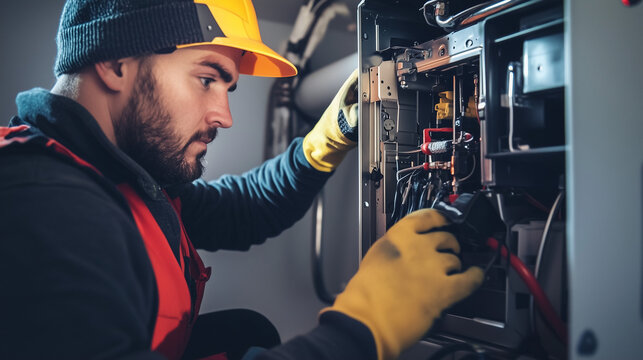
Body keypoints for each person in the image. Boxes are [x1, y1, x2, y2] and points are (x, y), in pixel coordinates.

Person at [0, 0, 484, 359]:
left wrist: (325, 140)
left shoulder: (117, 173)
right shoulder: (43, 210)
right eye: (207, 78)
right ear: (115, 63)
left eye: (228, 88)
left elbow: (240, 210)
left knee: (243, 334)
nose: (224, 115)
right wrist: (361, 330)